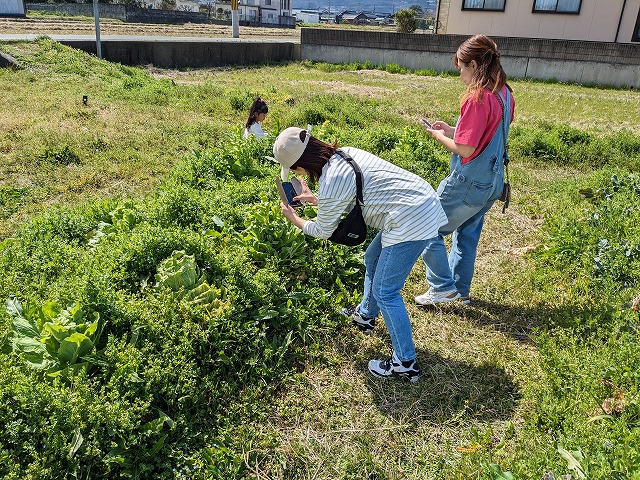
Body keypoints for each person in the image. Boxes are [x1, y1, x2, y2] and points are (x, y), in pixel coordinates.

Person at [272, 126, 448, 382]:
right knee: (372, 258)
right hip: (419, 203)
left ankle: (405, 362)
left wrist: (295, 219)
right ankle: (366, 315)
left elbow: (322, 230)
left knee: (386, 291)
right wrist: (315, 200)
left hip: (410, 219)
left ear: (301, 164)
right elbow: (350, 193)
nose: (299, 174)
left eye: (296, 169)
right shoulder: (344, 154)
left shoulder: (332, 180)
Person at [415, 34, 515, 307]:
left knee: (425, 225)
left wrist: (439, 137)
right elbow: (486, 134)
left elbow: (466, 150)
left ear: (473, 64)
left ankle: (441, 287)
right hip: (492, 183)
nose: (460, 74)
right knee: (467, 236)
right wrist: (451, 129)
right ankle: (460, 292)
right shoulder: (505, 93)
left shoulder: (477, 97)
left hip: (468, 182)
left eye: (461, 67)